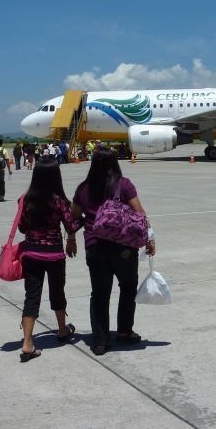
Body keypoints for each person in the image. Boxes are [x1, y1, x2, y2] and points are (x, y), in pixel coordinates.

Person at [70, 148, 156, 356]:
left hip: (95, 247)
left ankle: (100, 340)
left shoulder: (84, 188)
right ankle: (125, 331)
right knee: (127, 288)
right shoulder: (124, 184)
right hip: (124, 249)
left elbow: (73, 216)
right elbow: (140, 213)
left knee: (99, 294)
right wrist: (149, 238)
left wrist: (72, 235)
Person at [17, 159, 80, 362]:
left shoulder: (24, 200)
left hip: (31, 253)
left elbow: (22, 228)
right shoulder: (58, 201)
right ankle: (62, 330)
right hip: (53, 254)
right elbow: (71, 226)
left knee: (32, 296)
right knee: (57, 291)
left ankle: (27, 343)